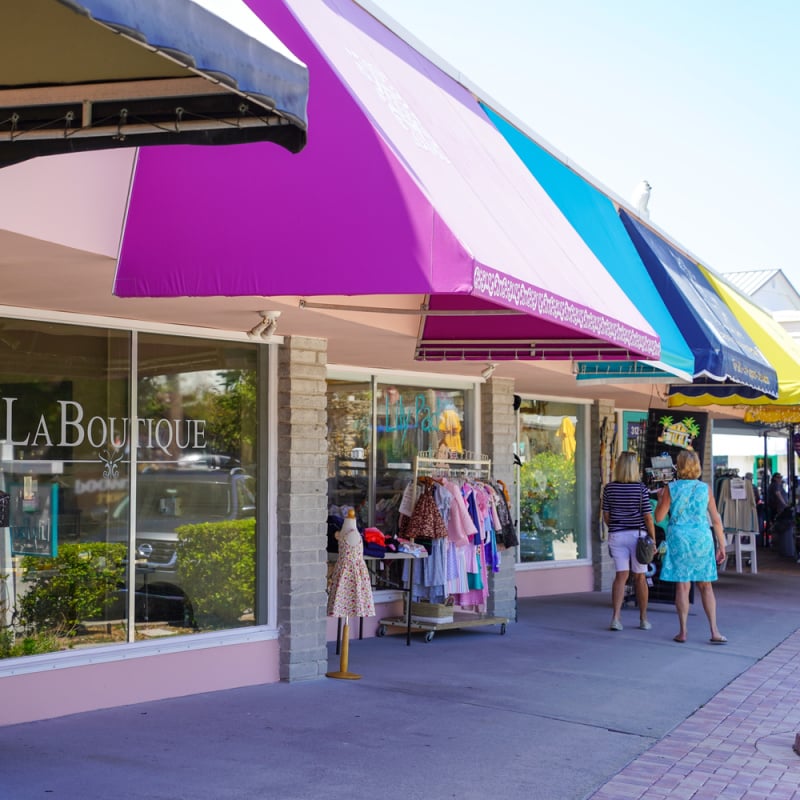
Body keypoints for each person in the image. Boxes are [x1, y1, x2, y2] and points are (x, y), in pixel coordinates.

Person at [654, 450, 727, 644]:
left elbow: (659, 517)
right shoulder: (705, 489)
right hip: (702, 538)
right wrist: (722, 545)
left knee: (683, 585)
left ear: (679, 466)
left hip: (679, 538)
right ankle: (714, 631)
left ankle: (683, 631)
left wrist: (662, 499)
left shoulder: (672, 488)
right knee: (706, 585)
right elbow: (716, 519)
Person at [602, 451, 656, 632]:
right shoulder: (641, 489)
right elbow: (648, 517)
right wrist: (653, 539)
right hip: (637, 536)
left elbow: (606, 517)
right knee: (640, 577)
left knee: (620, 576)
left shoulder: (609, 488)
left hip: (617, 535)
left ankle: (616, 618)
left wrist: (618, 525)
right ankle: (643, 618)